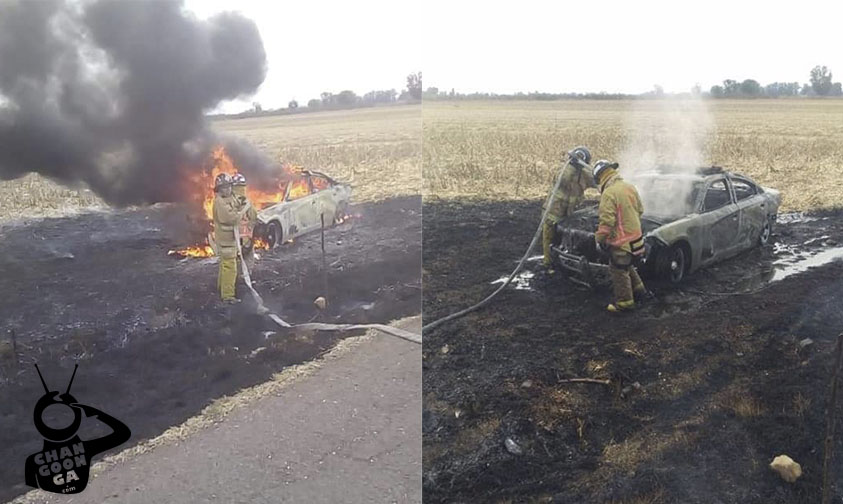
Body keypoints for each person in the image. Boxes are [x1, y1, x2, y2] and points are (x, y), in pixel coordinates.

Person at [592, 159, 650, 312]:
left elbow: (606, 223)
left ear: (600, 178)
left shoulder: (609, 193)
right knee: (627, 266)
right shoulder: (629, 187)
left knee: (618, 270)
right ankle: (640, 291)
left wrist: (599, 240)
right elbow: (640, 210)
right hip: (637, 240)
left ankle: (625, 303)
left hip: (621, 243)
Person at [541, 146, 594, 272]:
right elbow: (563, 177)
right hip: (554, 212)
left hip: (568, 213)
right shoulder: (563, 170)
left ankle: (563, 260)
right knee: (550, 237)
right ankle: (548, 265)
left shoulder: (583, 173)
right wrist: (572, 164)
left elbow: (596, 180)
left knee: (564, 238)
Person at [212, 173, 240, 303]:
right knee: (230, 267)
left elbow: (236, 204)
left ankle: (221, 289)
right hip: (226, 241)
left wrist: (241, 203)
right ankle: (228, 296)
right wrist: (241, 214)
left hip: (229, 240)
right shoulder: (219, 202)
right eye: (224, 187)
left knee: (224, 265)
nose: (227, 189)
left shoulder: (229, 198)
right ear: (219, 189)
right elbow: (229, 218)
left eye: (229, 186)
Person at [231, 173, 257, 259]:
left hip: (232, 241)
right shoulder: (247, 203)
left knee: (232, 265)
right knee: (247, 264)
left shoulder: (227, 203)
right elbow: (253, 217)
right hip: (246, 242)